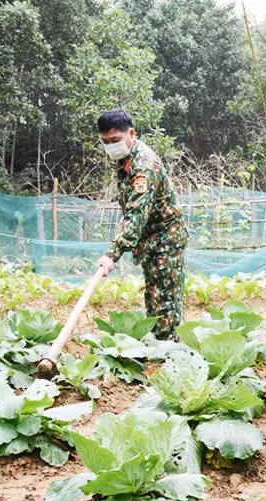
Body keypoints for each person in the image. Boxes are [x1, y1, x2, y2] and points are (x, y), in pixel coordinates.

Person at [95, 109, 189, 341]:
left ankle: (168, 352)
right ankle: (159, 343)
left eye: (115, 140)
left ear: (131, 134)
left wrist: (111, 255)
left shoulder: (143, 165)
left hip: (166, 237)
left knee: (165, 298)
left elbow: (136, 217)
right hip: (151, 237)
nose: (111, 146)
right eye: (105, 142)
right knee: (154, 294)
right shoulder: (125, 158)